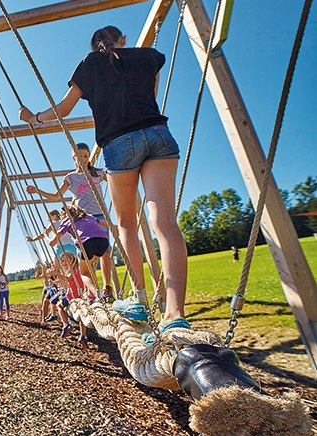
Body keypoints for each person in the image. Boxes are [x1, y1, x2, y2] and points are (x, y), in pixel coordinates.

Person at [19, 25, 190, 345]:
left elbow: (62, 110)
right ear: (122, 40)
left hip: (118, 143)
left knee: (126, 223)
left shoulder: (89, 64)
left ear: (95, 45)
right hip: (159, 136)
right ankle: (174, 314)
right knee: (164, 222)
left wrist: (33, 117)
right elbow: (149, 98)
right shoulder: (147, 56)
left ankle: (139, 299)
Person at [26, 142, 119, 300]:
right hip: (81, 219)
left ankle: (107, 287)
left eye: (85, 156)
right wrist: (37, 191)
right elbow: (57, 196)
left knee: (105, 252)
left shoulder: (97, 172)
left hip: (99, 216)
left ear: (89, 156)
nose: (82, 159)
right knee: (84, 258)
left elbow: (115, 181)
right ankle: (89, 291)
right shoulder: (70, 177)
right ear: (73, 157)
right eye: (78, 156)